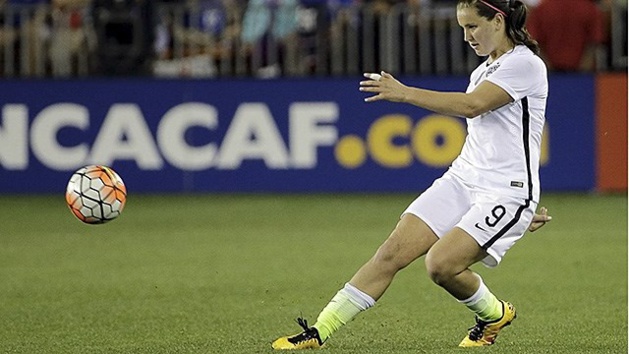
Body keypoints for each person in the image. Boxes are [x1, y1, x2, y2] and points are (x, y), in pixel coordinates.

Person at [272, 0, 552, 349]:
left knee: (441, 265)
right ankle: (318, 332)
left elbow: (472, 106)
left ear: (498, 20)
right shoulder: (482, 71)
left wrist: (404, 93)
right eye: (462, 28)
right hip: (463, 179)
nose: (466, 37)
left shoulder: (525, 64)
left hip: (505, 190)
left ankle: (494, 314)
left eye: (472, 27)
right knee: (390, 253)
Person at [527, 0, 606, 72]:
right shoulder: (590, 9)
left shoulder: (541, 9)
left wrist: (548, 68)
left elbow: (534, 42)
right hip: (582, 74)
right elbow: (594, 43)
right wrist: (583, 71)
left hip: (550, 73)